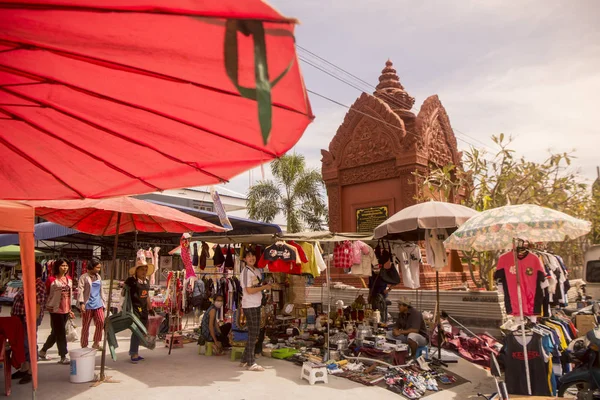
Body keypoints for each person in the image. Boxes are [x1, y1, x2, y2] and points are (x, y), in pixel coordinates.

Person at [11, 262, 46, 384]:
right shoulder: (27, 283)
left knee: (30, 343)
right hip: (20, 318)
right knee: (23, 344)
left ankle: (31, 371)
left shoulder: (38, 284)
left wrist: (32, 321)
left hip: (28, 319)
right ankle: (24, 368)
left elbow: (38, 304)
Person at [240, 247, 273, 372]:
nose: (251, 258)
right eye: (248, 256)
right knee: (253, 333)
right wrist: (264, 287)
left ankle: (244, 359)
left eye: (253, 256)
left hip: (257, 303)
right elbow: (248, 290)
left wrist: (265, 284)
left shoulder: (257, 271)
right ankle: (250, 362)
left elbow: (258, 285)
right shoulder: (245, 272)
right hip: (249, 305)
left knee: (256, 333)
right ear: (244, 259)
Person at [39, 258, 74, 365]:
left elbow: (70, 295)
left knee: (56, 332)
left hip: (66, 309)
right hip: (55, 310)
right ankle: (63, 355)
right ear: (57, 267)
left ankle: (43, 351)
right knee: (61, 333)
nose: (65, 268)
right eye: (63, 266)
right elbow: (46, 293)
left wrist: (70, 309)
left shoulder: (69, 279)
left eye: (66, 266)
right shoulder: (51, 280)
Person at [124, 259, 154, 363]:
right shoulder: (132, 281)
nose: (144, 271)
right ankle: (133, 354)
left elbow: (147, 296)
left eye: (145, 270)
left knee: (141, 331)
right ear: (136, 271)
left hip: (144, 310)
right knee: (136, 331)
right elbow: (124, 290)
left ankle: (135, 351)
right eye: (142, 269)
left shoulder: (146, 282)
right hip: (135, 309)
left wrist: (150, 308)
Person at [77, 259, 107, 350]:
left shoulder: (98, 276)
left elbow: (101, 290)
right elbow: (80, 291)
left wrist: (104, 303)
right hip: (88, 305)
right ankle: (84, 345)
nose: (98, 269)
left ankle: (96, 343)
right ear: (92, 267)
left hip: (98, 304)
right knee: (86, 326)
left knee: (101, 322)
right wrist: (81, 303)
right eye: (97, 267)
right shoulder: (83, 277)